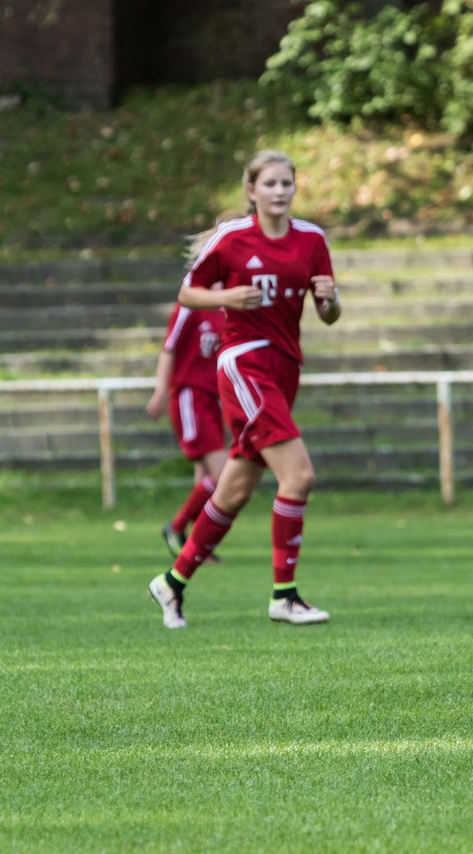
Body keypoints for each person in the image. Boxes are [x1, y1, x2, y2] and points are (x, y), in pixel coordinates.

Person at [147, 149, 341, 629]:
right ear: (251, 190)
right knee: (298, 476)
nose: (280, 191)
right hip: (244, 363)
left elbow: (329, 314)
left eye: (286, 183)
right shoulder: (234, 239)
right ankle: (284, 595)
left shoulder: (312, 240)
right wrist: (226, 297)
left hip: (285, 366)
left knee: (234, 490)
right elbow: (187, 293)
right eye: (270, 183)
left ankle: (171, 583)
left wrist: (330, 300)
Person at [145, 302, 228, 562]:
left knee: (206, 478)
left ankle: (198, 542)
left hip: (212, 399)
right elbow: (169, 348)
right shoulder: (189, 307)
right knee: (224, 475)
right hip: (190, 396)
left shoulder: (225, 310)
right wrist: (160, 390)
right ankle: (177, 527)